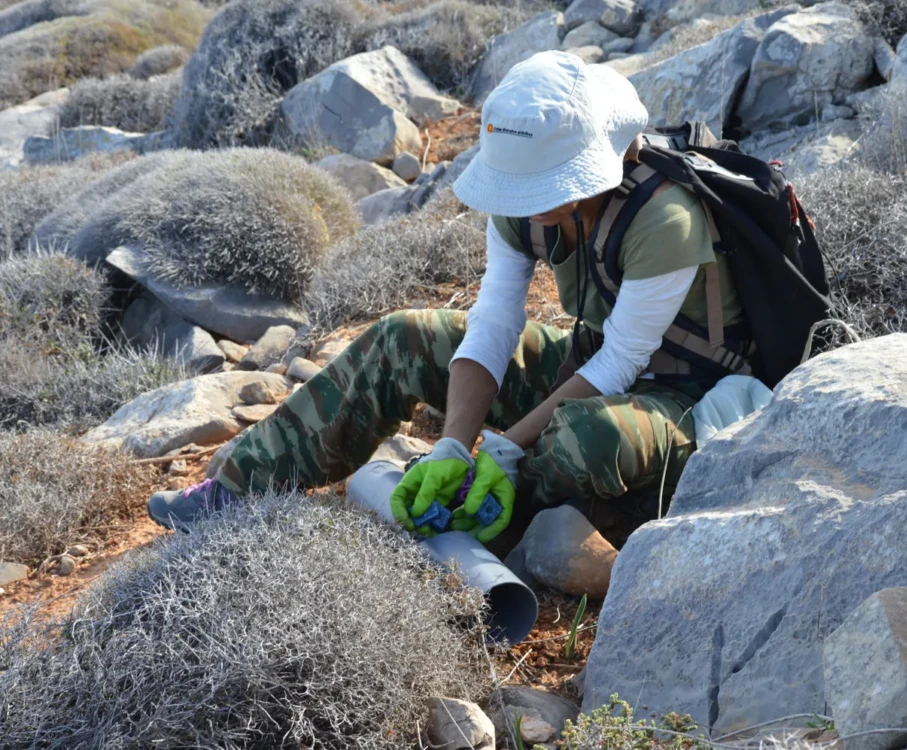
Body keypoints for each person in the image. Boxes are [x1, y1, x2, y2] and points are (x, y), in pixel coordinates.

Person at [147, 50, 747, 543]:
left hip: (685, 396)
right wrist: (455, 444)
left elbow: (622, 361)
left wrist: (503, 450)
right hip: (592, 364)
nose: (524, 198)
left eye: (541, 183)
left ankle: (492, 520)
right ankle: (239, 485)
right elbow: (494, 322)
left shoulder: (663, 217)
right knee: (404, 338)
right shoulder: (523, 201)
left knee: (584, 439)